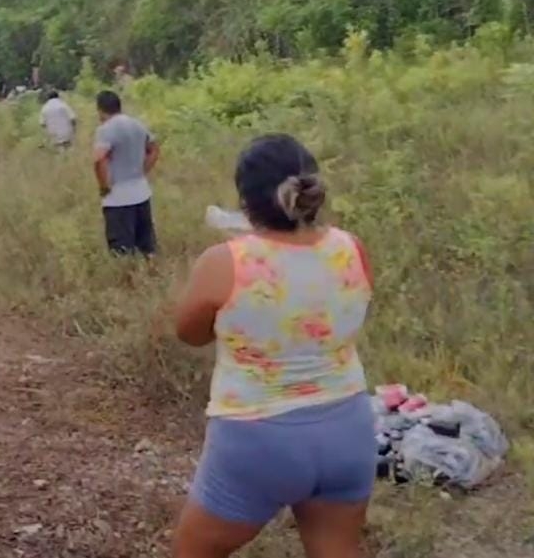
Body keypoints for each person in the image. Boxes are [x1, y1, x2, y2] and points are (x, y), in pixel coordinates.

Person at [171, 134, 375, 558]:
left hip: (258, 436)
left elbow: (189, 333)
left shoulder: (224, 261)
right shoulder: (350, 247)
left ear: (246, 201)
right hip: (347, 428)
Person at [93, 91, 160, 256]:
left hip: (118, 198)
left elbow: (98, 159)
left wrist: (104, 186)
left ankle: (128, 281)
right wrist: (142, 170)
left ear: (100, 110)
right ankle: (149, 279)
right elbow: (154, 149)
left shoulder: (105, 130)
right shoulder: (137, 124)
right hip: (142, 193)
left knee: (121, 251)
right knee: (146, 247)